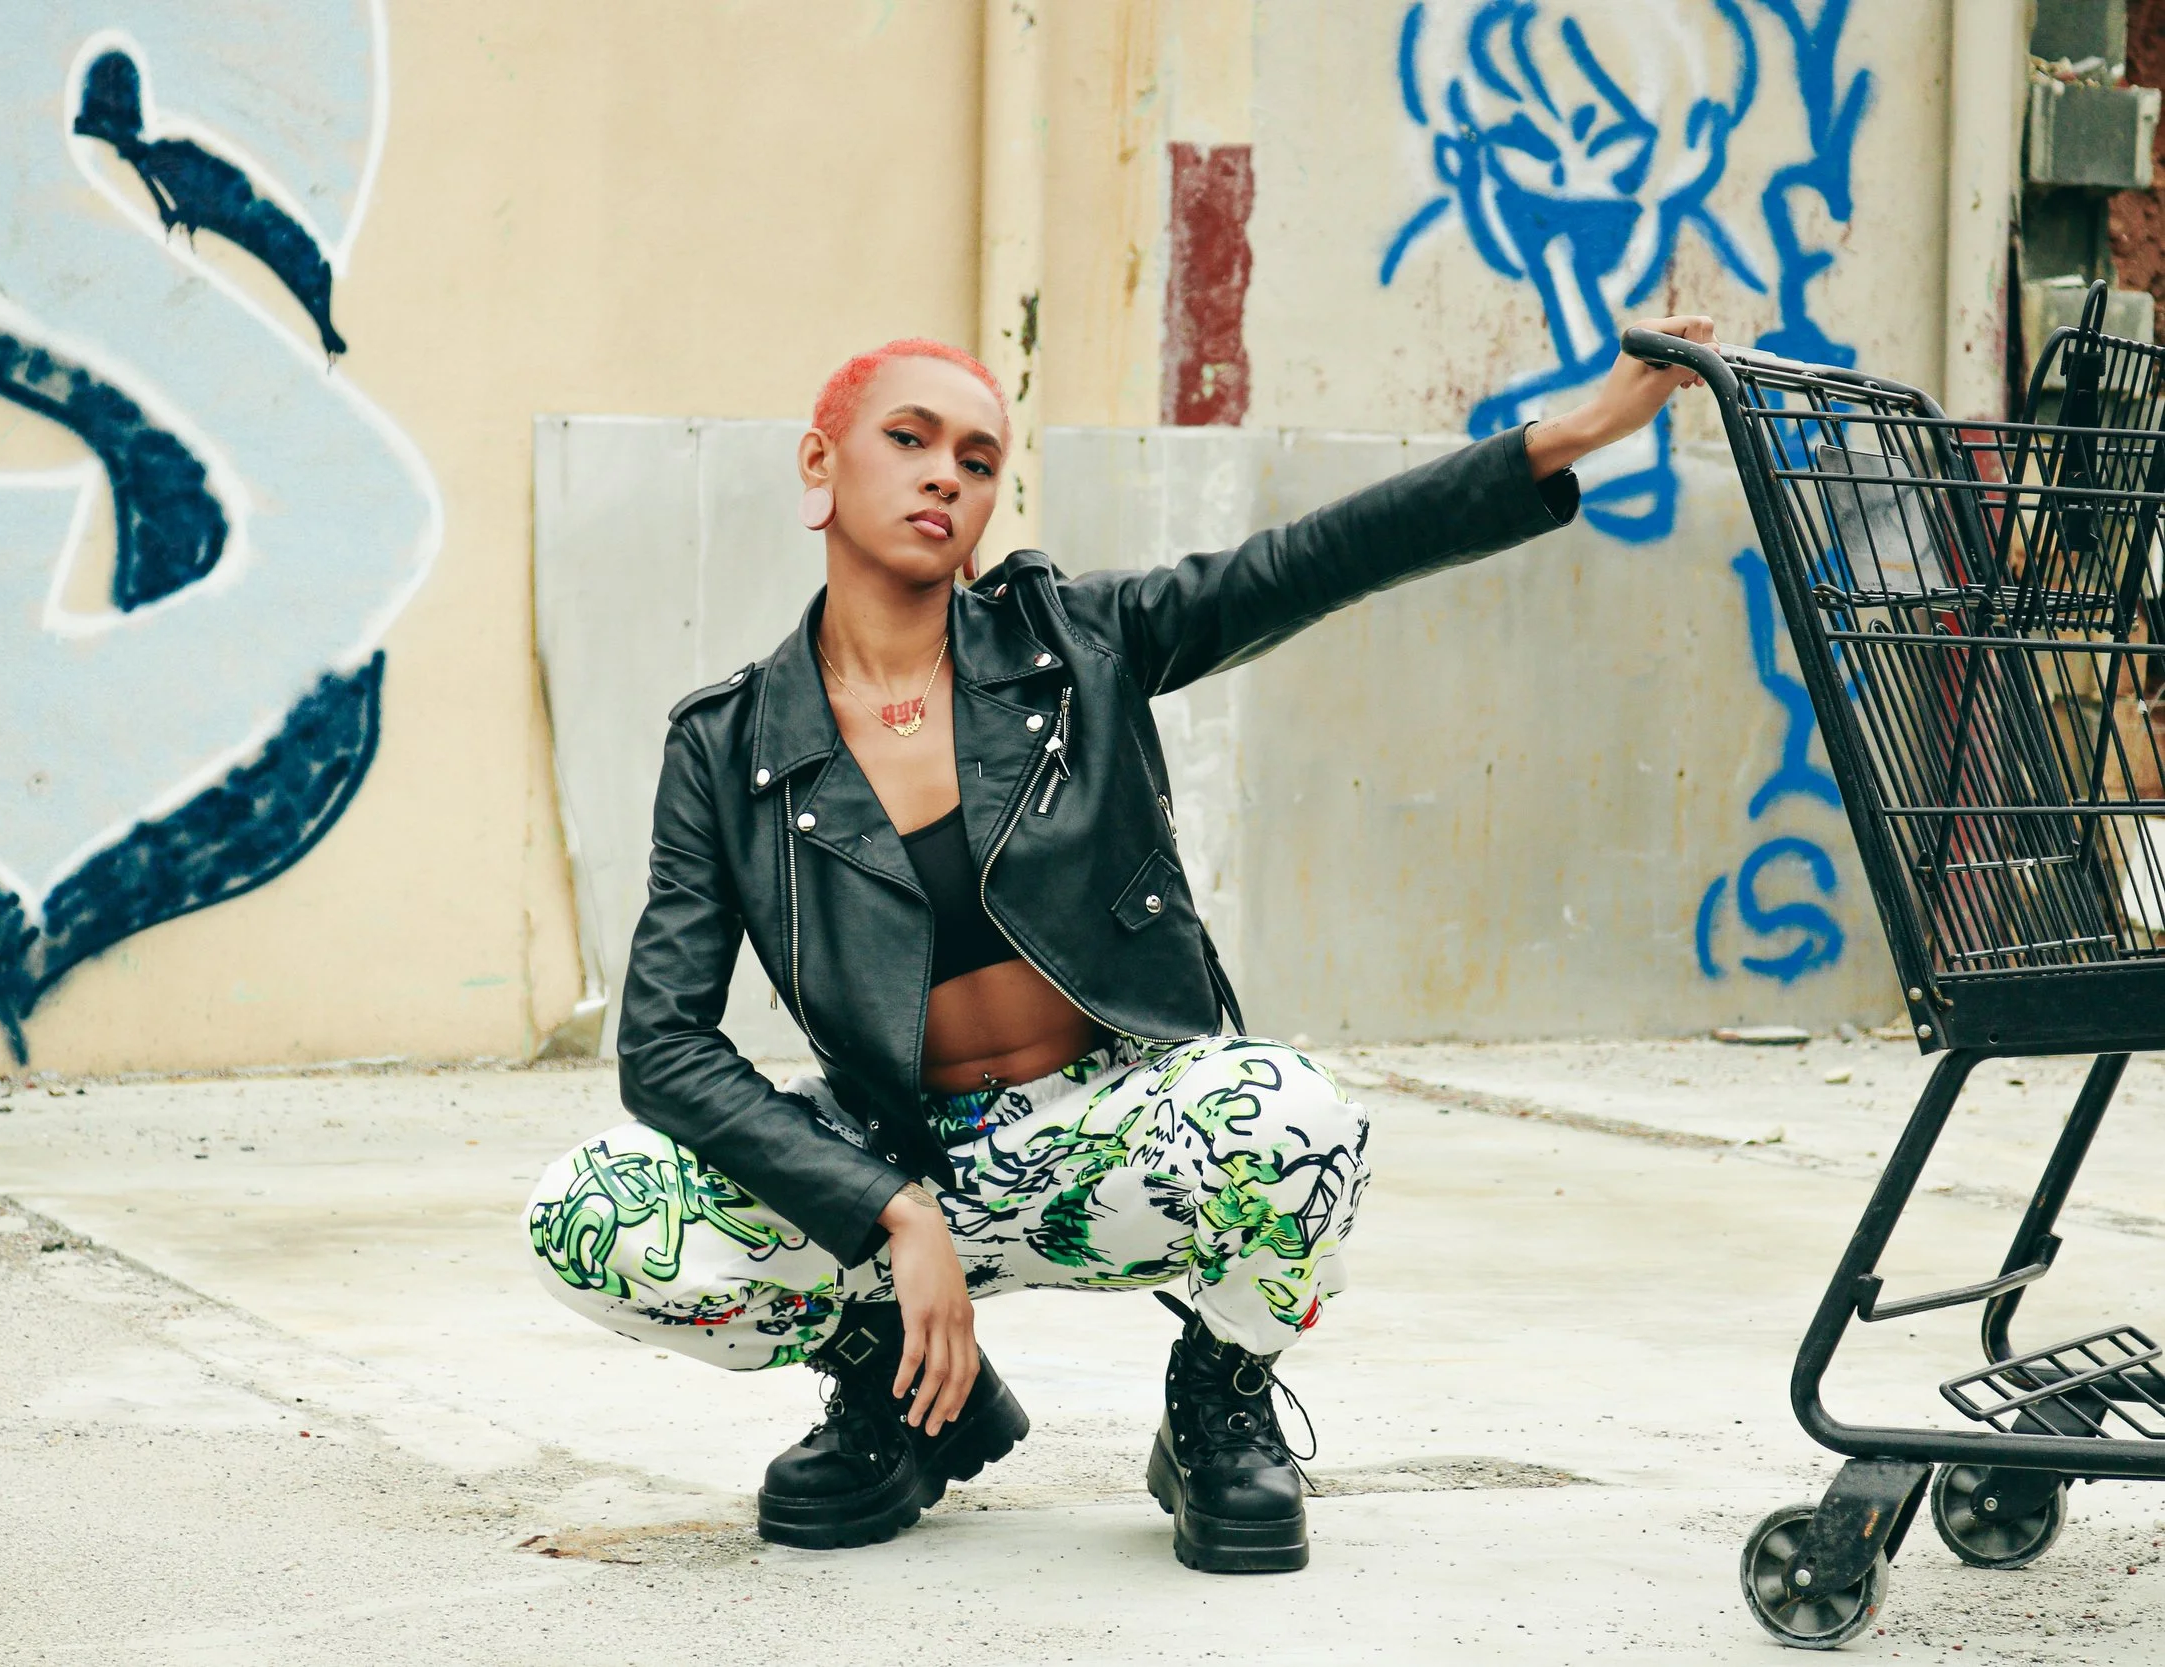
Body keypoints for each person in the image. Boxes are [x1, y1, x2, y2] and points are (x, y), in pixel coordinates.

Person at [523, 320, 1714, 1571]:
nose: (943, 475)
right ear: (820, 463)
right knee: (589, 1210)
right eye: (909, 439)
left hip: (1116, 1126)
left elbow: (1313, 558)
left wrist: (1576, 431)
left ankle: (1218, 1393)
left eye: (976, 459)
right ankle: (902, 1388)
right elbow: (663, 1046)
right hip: (898, 1153)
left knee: (1291, 1112)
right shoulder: (728, 744)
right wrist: (886, 1211)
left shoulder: (1075, 643)